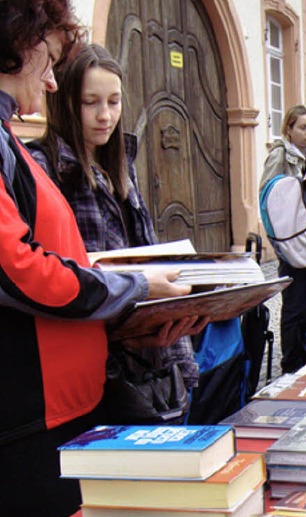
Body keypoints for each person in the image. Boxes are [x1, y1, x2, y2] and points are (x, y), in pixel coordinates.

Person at [0, 3, 193, 517]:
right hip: (34, 410)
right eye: (51, 59)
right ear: (21, 42)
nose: (51, 80)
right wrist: (134, 289)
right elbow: (19, 269)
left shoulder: (10, 137)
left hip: (66, 398)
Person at [29, 44, 202, 424]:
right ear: (64, 102)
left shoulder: (120, 165)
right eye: (91, 102)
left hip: (152, 360)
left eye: (114, 101)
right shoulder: (42, 168)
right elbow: (62, 279)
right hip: (97, 366)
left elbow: (145, 253)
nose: (105, 116)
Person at [259, 106, 306, 373]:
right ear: (289, 129)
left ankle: (302, 350)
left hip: (304, 236)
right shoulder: (281, 155)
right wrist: (278, 241)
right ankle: (291, 361)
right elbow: (268, 195)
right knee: (294, 304)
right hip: (290, 239)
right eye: (303, 127)